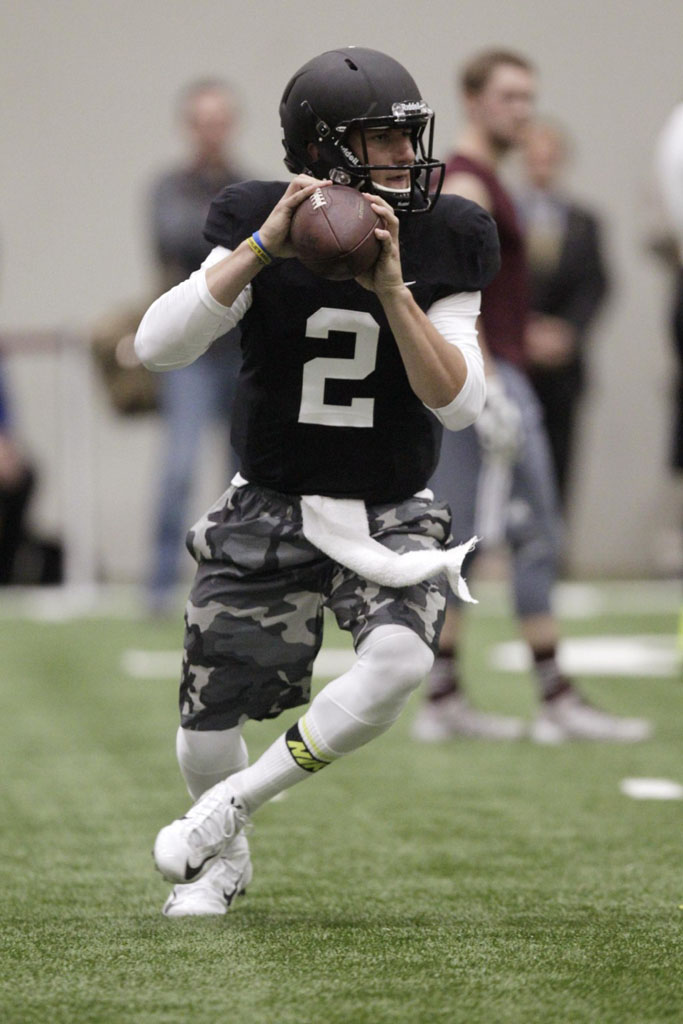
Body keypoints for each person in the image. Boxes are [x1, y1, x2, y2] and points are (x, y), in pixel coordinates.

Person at [135, 46, 498, 917]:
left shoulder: (448, 232)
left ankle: (231, 813)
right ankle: (226, 847)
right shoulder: (252, 213)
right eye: (384, 141)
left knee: (400, 659)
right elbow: (158, 346)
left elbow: (460, 406)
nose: (408, 159)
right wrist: (265, 246)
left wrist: (393, 290)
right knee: (205, 727)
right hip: (271, 497)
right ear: (324, 148)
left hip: (390, 505)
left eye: (410, 138)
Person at [411, 49, 651, 744]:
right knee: (531, 531)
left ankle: (446, 692)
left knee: (466, 535)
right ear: (473, 99)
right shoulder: (468, 179)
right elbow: (455, 295)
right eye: (509, 97)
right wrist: (485, 385)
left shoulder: (484, 177)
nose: (522, 110)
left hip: (483, 374)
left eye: (528, 97)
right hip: (489, 375)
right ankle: (551, 695)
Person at [145, 78, 247, 614]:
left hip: (238, 348)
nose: (212, 131)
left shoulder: (248, 184)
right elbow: (180, 243)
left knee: (242, 477)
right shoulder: (168, 188)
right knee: (179, 467)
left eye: (220, 120)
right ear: (190, 126)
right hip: (192, 352)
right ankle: (158, 587)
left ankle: (235, 581)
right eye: (202, 120)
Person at [515, 118, 610, 508]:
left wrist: (567, 331)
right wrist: (524, 330)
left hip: (563, 366)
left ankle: (552, 549)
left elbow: (597, 284)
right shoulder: (503, 216)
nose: (542, 167)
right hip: (513, 357)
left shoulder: (584, 222)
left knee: (559, 461)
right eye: (535, 159)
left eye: (550, 159)